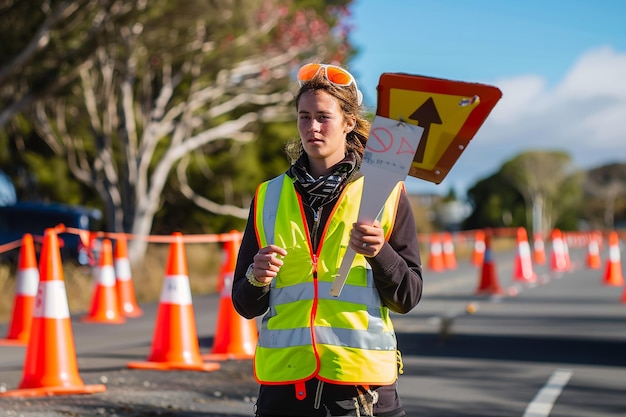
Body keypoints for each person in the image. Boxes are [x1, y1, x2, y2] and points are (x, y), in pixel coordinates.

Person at [232, 62, 423, 417]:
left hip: (361, 391)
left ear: (349, 122)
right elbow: (244, 305)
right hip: (285, 390)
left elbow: (408, 296)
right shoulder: (268, 196)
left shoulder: (387, 193)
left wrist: (381, 253)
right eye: (304, 117)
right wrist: (256, 278)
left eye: (323, 117)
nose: (312, 127)